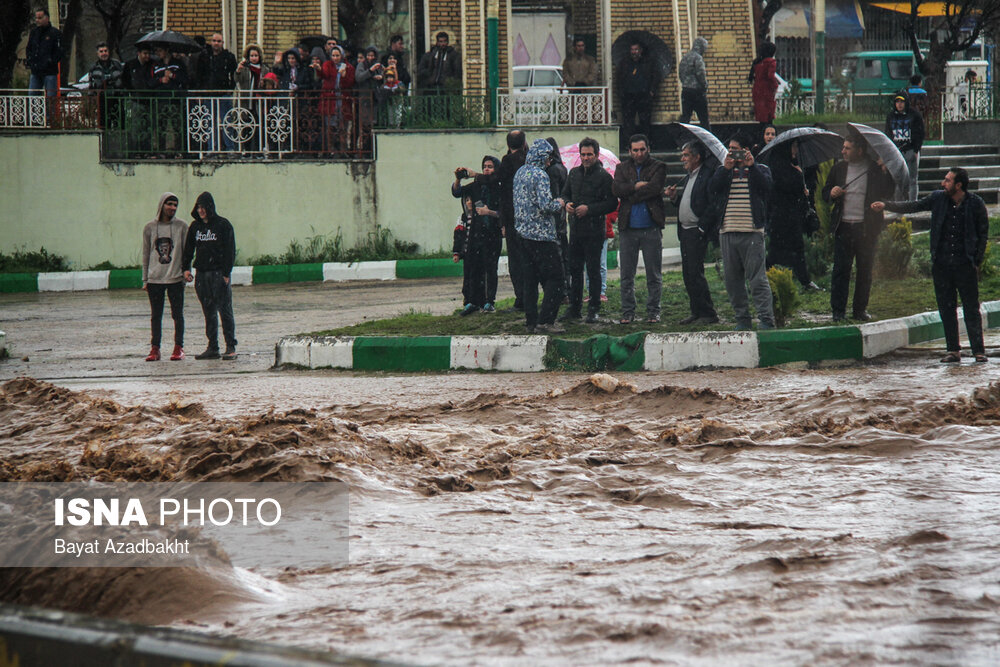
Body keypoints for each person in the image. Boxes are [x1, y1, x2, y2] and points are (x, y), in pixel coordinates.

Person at [872, 168, 988, 363]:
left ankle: (978, 351)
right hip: (942, 264)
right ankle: (953, 350)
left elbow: (982, 233)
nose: (943, 183)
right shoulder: (938, 199)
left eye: (948, 180)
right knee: (946, 307)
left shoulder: (975, 203)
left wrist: (976, 260)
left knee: (971, 308)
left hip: (964, 265)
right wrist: (886, 205)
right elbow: (914, 205)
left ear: (959, 185)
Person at [822, 134, 895, 322]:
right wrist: (832, 192)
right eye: (843, 147)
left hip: (866, 228)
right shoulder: (838, 168)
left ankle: (859, 309)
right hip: (844, 227)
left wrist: (886, 172)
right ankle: (838, 311)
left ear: (859, 150)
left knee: (864, 270)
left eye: (847, 148)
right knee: (841, 271)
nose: (843, 151)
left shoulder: (874, 169)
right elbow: (825, 192)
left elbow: (887, 193)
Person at [709, 133, 775, 330]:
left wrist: (751, 166)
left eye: (737, 150)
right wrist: (725, 170)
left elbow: (767, 188)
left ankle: (766, 319)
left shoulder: (760, 169)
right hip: (728, 230)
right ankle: (742, 319)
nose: (733, 153)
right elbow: (712, 189)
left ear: (747, 150)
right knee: (732, 280)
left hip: (752, 230)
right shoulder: (723, 170)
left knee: (757, 279)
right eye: (730, 149)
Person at [561, 137, 617, 323]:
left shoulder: (604, 176)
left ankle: (594, 307)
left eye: (589, 155)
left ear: (596, 154)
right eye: (583, 154)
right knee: (575, 270)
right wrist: (567, 204)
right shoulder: (574, 174)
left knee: (593, 271)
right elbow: (565, 193)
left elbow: (611, 203)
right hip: (576, 230)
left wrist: (590, 210)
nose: (586, 158)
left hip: (594, 230)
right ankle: (575, 307)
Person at [612, 134, 667, 324]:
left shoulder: (658, 166)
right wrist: (636, 185)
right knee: (627, 274)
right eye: (635, 150)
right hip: (628, 228)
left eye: (642, 149)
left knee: (654, 274)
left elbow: (655, 188)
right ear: (629, 151)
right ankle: (628, 312)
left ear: (648, 149)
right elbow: (617, 190)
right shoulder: (621, 168)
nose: (639, 153)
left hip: (651, 227)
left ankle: (653, 311)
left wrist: (631, 192)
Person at [514, 139, 567, 333]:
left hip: (523, 235)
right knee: (556, 278)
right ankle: (546, 321)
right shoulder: (540, 176)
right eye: (547, 158)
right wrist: (559, 203)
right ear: (542, 157)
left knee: (530, 280)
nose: (549, 162)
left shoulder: (520, 173)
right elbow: (546, 206)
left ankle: (531, 321)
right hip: (542, 237)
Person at [664, 141, 719, 325]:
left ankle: (708, 312)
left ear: (697, 157)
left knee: (696, 273)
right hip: (685, 231)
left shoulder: (707, 175)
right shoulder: (689, 177)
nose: (683, 159)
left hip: (697, 231)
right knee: (688, 274)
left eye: (686, 155)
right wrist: (674, 199)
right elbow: (688, 202)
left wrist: (703, 226)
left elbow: (712, 204)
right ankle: (695, 310)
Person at [182, 192, 238, 360]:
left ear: (210, 207)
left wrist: (226, 273)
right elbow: (188, 249)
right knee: (208, 311)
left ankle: (230, 346)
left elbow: (230, 250)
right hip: (202, 274)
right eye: (198, 207)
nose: (201, 211)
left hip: (218, 273)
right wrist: (186, 268)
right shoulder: (195, 227)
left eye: (203, 207)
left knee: (225, 310)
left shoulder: (223, 225)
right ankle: (213, 347)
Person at [452, 156, 502, 314]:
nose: (487, 169)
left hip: (492, 233)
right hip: (475, 233)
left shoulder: (499, 187)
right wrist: (458, 179)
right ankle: (473, 300)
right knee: (473, 266)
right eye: (484, 166)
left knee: (490, 267)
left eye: (490, 166)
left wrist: (489, 213)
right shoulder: (476, 186)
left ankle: (489, 301)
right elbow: (458, 192)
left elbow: (504, 211)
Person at [765, 140, 819, 290]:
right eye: (794, 146)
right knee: (777, 252)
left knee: (795, 249)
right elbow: (788, 187)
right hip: (783, 217)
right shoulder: (780, 167)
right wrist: (798, 176)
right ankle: (763, 278)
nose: (795, 150)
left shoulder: (789, 165)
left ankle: (805, 281)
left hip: (790, 216)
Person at [142, 193, 188, 362]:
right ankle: (155, 349)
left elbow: (187, 252)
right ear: (162, 205)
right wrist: (145, 279)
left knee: (177, 314)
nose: (172, 208)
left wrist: (185, 273)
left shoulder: (182, 226)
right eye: (169, 204)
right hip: (155, 279)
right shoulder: (149, 227)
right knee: (156, 315)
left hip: (175, 278)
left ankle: (179, 347)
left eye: (175, 205)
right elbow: (146, 254)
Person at [198, 33, 238, 151]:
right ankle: (212, 148)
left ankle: (230, 148)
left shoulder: (229, 57)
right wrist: (201, 91)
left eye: (219, 41)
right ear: (211, 42)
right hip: (209, 94)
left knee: (227, 122)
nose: (216, 43)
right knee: (210, 123)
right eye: (214, 41)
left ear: (222, 43)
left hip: (223, 93)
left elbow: (234, 74)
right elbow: (200, 75)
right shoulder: (205, 56)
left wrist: (230, 89)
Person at [616, 41, 660, 142]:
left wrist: (652, 91)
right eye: (632, 50)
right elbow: (619, 79)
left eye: (636, 49)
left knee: (645, 121)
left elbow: (656, 77)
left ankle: (645, 142)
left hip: (644, 96)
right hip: (628, 96)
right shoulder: (625, 63)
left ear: (640, 51)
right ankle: (629, 143)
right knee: (628, 122)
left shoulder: (648, 62)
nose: (634, 52)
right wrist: (621, 93)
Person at [544, 137, 569, 300]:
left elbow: (552, 198)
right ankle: (566, 291)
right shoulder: (562, 168)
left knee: (556, 259)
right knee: (563, 258)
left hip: (554, 221)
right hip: (561, 219)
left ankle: (562, 293)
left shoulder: (552, 170)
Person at [885, 94, 924, 200]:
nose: (899, 104)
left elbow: (920, 132)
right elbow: (888, 134)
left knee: (912, 179)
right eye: (897, 102)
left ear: (906, 102)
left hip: (911, 150)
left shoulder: (914, 115)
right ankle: (899, 204)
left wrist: (916, 149)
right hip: (897, 152)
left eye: (902, 102)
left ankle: (912, 203)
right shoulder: (891, 116)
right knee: (898, 179)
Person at [317, 46, 355, 152]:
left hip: (342, 99)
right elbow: (325, 74)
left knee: (343, 125)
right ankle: (331, 149)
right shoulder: (328, 65)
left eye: (337, 55)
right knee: (330, 125)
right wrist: (318, 69)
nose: (335, 58)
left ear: (342, 55)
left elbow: (350, 83)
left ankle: (343, 149)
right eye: (333, 55)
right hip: (330, 99)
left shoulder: (348, 67)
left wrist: (344, 75)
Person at [26, 7, 63, 99]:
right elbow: (29, 48)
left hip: (49, 72)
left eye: (40, 18)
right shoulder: (34, 33)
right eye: (36, 18)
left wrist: (50, 61)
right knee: (33, 98)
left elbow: (60, 51)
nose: (37, 20)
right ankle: (35, 114)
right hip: (35, 71)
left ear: (47, 18)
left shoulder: (55, 33)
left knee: (51, 98)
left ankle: (51, 114)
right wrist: (31, 61)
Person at [678, 37, 710, 130]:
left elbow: (680, 74)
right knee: (704, 119)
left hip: (686, 91)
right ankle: (708, 139)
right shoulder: (698, 58)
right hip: (697, 92)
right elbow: (701, 74)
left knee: (685, 118)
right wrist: (704, 86)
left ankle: (682, 137)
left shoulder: (685, 57)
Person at [748, 41, 778, 125]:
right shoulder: (771, 62)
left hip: (757, 90)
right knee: (769, 114)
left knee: (761, 114)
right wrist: (775, 85)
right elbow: (770, 76)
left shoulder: (757, 62)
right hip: (767, 90)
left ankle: (762, 132)